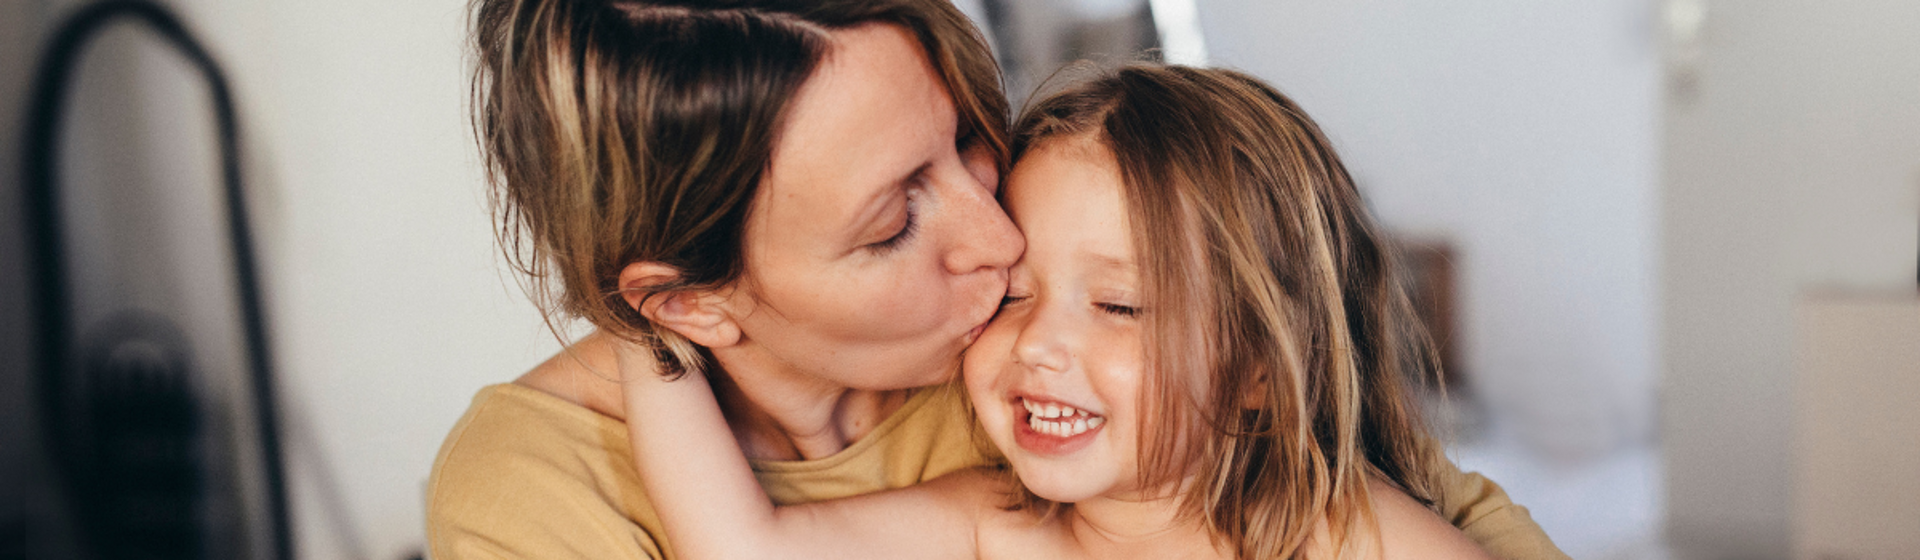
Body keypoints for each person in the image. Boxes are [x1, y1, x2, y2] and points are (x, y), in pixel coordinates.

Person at [428, 1, 1568, 558]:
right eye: (893, 221)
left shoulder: (1315, 509)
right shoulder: (1008, 511)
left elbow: (1440, 500)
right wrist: (645, 341)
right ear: (685, 298)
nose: (998, 242)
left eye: (971, 142)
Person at [618, 63, 1497, 560]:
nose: (1037, 343)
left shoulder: (1350, 538)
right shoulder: (991, 526)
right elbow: (744, 550)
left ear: (1261, 371)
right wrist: (644, 325)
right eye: (1013, 294)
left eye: (1119, 304)